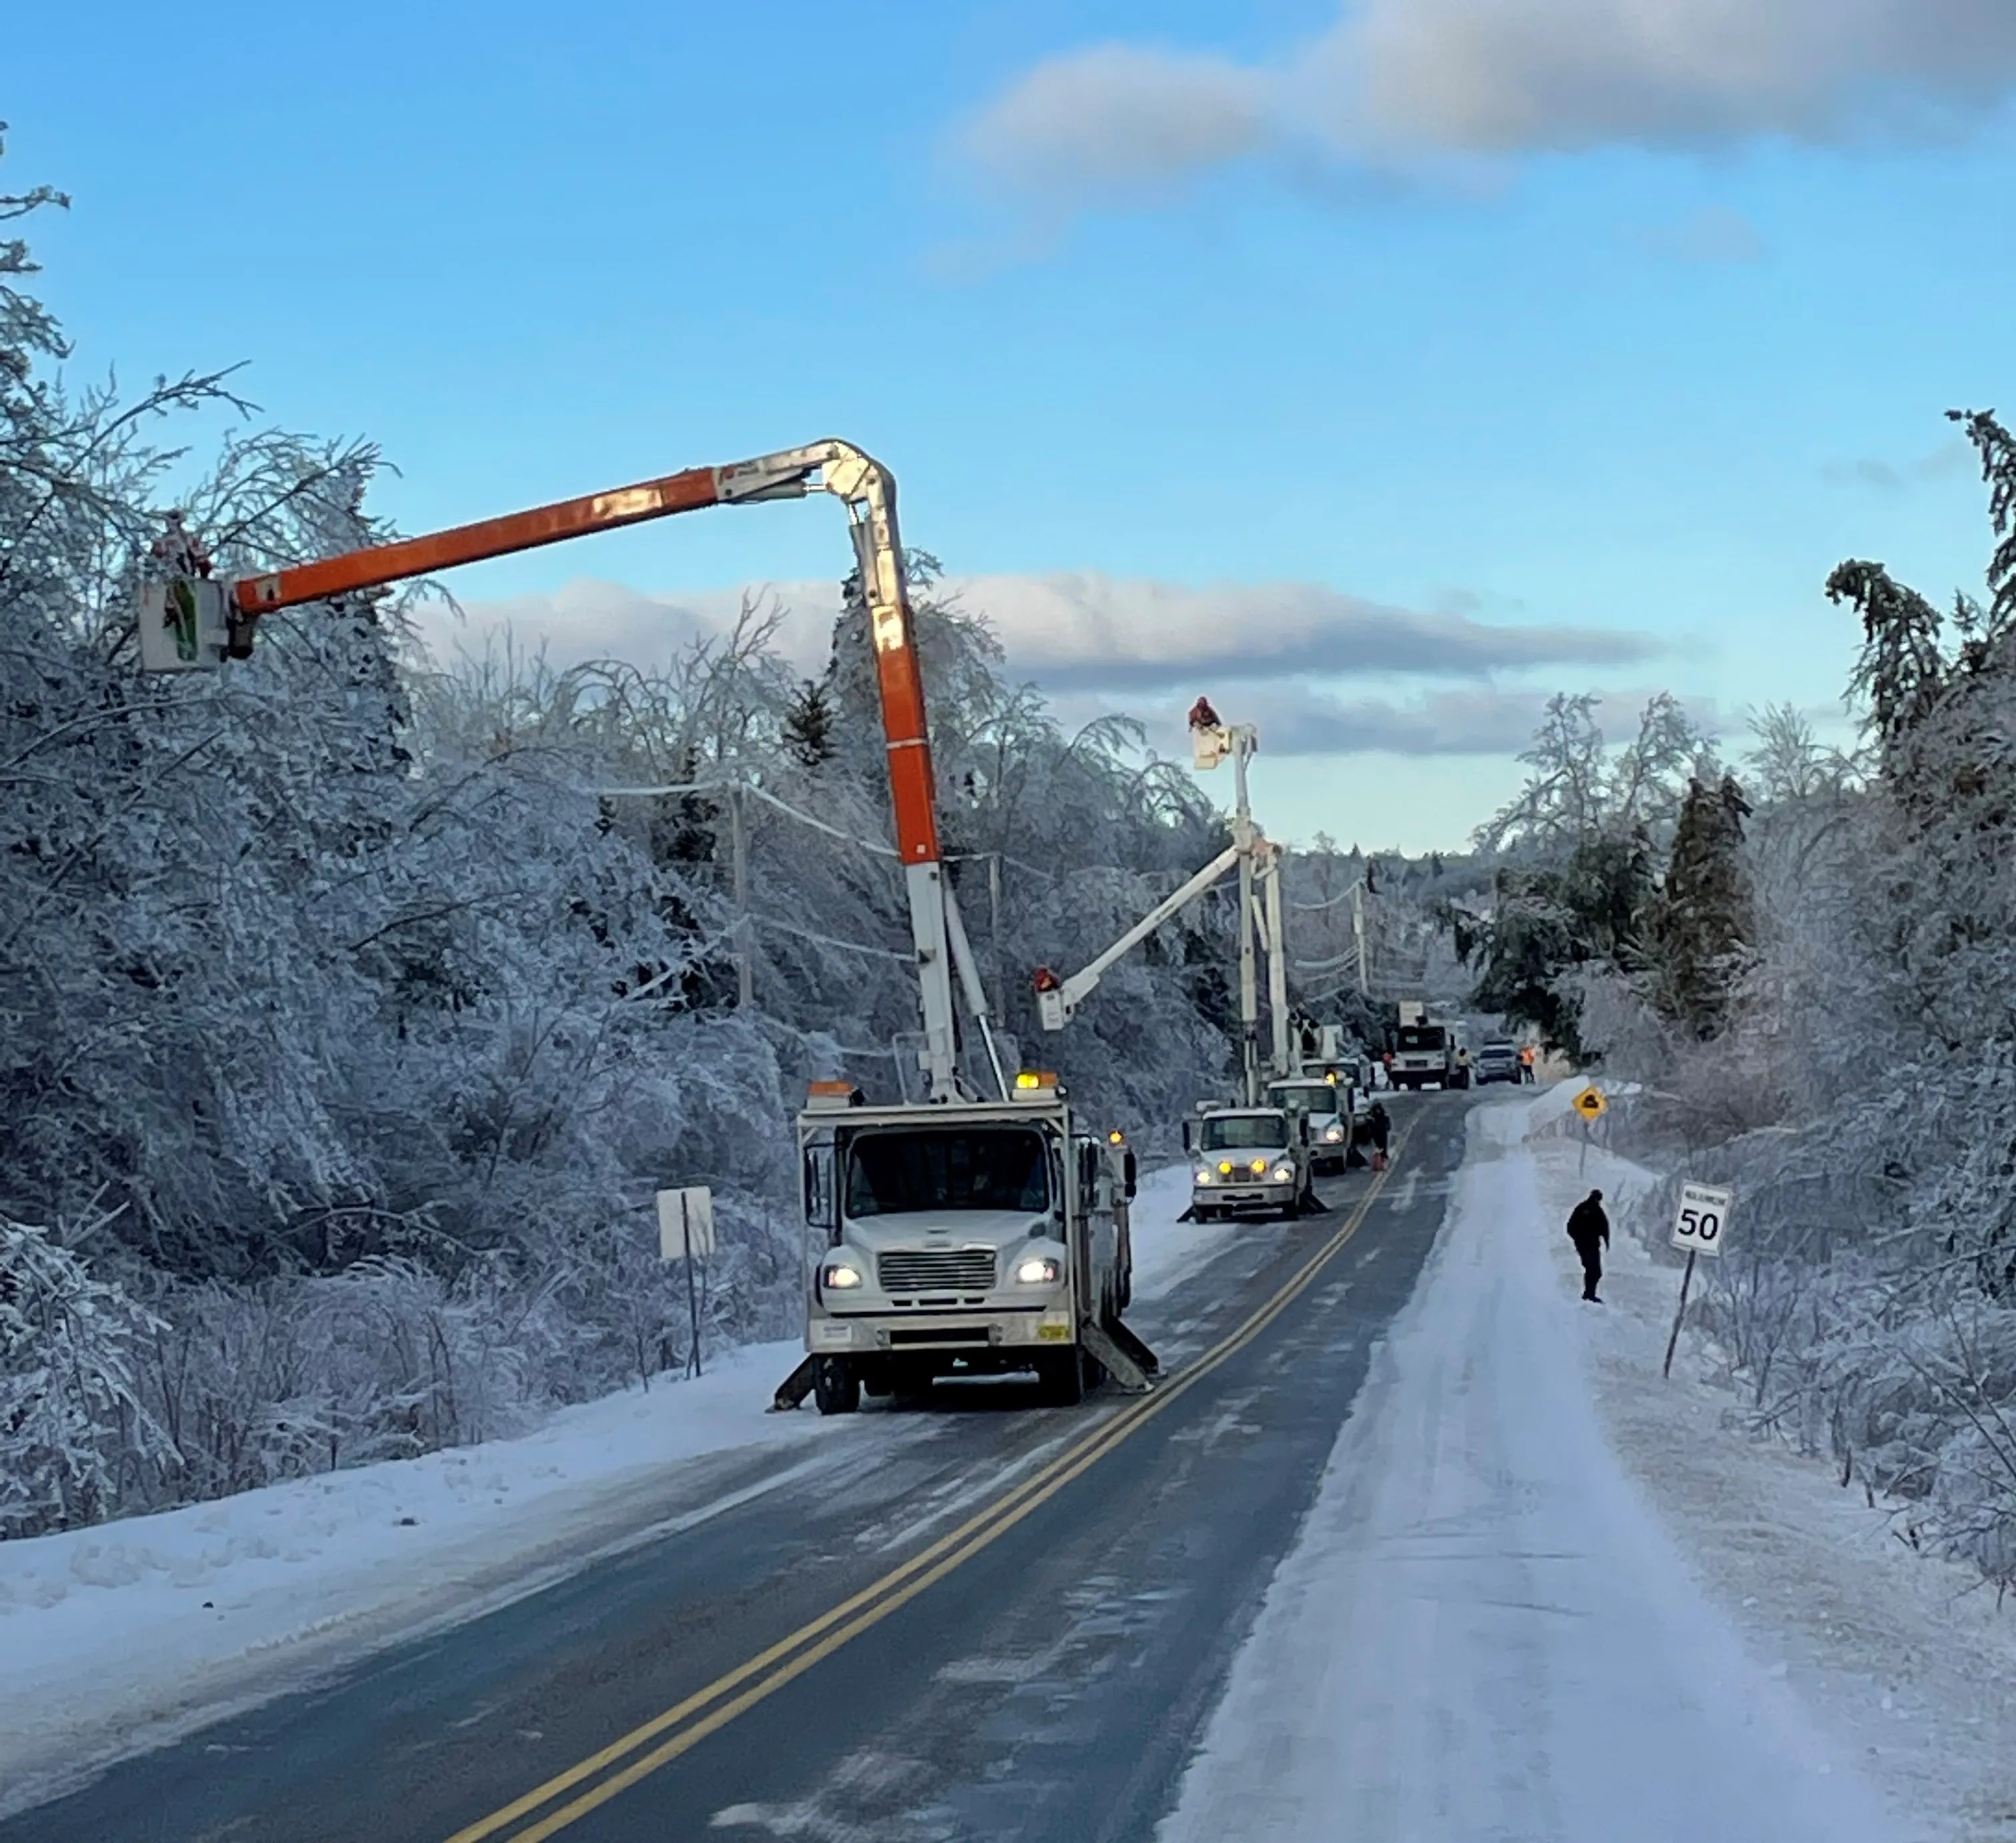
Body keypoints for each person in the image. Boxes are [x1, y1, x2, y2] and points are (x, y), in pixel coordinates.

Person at [1566, 1188, 1609, 1302]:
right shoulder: (1594, 1210)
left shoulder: (1583, 1208)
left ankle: (1589, 1294)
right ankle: (1589, 1295)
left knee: (1592, 1270)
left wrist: (1578, 1240)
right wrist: (1580, 1239)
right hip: (1590, 1245)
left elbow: (1604, 1227)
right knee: (1594, 1270)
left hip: (1587, 1245)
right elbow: (1604, 1227)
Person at [1367, 1100, 1391, 1172]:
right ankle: (1379, 1162)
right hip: (1378, 1134)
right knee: (1379, 1148)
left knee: (1381, 1147)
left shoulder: (1382, 1118)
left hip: (1380, 1133)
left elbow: (1387, 1127)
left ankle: (1380, 1162)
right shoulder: (1378, 1117)